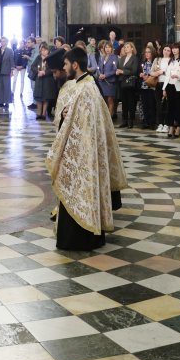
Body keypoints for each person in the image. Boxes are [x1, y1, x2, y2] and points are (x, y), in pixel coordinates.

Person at [47, 47, 127, 251]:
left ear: (75, 65)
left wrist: (66, 116)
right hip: (84, 150)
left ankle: (79, 239)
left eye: (66, 64)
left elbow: (80, 123)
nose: (64, 69)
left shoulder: (86, 90)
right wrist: (66, 115)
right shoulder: (88, 86)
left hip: (82, 153)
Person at [162, 44, 180, 139]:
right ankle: (170, 126)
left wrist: (178, 77)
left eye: (176, 48)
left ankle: (178, 127)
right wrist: (164, 88)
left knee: (179, 108)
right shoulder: (171, 60)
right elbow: (167, 76)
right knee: (170, 107)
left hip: (179, 87)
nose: (174, 50)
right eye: (173, 48)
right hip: (170, 86)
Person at [116, 42, 140, 129]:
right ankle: (124, 120)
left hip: (130, 82)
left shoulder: (135, 58)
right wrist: (118, 71)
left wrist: (123, 71)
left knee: (131, 102)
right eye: (125, 47)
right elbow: (119, 67)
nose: (126, 48)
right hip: (122, 82)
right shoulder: (122, 58)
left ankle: (131, 121)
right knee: (124, 103)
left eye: (127, 47)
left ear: (132, 48)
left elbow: (134, 71)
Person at [29, 43, 55, 120]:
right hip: (39, 80)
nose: (43, 52)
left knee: (46, 98)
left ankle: (44, 113)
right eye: (42, 50)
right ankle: (39, 113)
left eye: (45, 50)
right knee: (39, 97)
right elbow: (32, 66)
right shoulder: (38, 58)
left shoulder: (50, 58)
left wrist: (45, 72)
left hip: (47, 80)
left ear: (48, 50)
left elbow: (52, 69)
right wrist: (38, 72)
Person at [97, 42, 119, 118]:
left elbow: (114, 70)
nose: (107, 49)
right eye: (106, 47)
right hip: (102, 82)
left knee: (110, 100)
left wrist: (105, 75)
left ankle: (109, 119)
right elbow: (98, 68)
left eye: (109, 47)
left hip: (110, 82)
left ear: (112, 48)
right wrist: (99, 74)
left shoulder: (114, 57)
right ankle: (104, 118)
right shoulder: (102, 57)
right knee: (104, 100)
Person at [138, 46, 158, 130]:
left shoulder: (155, 62)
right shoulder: (144, 62)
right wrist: (141, 75)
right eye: (146, 52)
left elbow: (156, 72)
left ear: (152, 53)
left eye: (149, 52)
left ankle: (152, 122)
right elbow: (141, 72)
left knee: (151, 105)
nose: (147, 54)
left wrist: (148, 76)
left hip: (151, 86)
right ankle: (145, 121)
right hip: (143, 86)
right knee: (144, 105)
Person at [0, 36, 14, 109]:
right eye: (1, 41)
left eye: (4, 41)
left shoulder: (10, 50)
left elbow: (12, 61)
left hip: (6, 71)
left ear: (7, 42)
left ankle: (7, 102)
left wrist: (12, 71)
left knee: (6, 87)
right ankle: (1, 102)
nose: (3, 42)